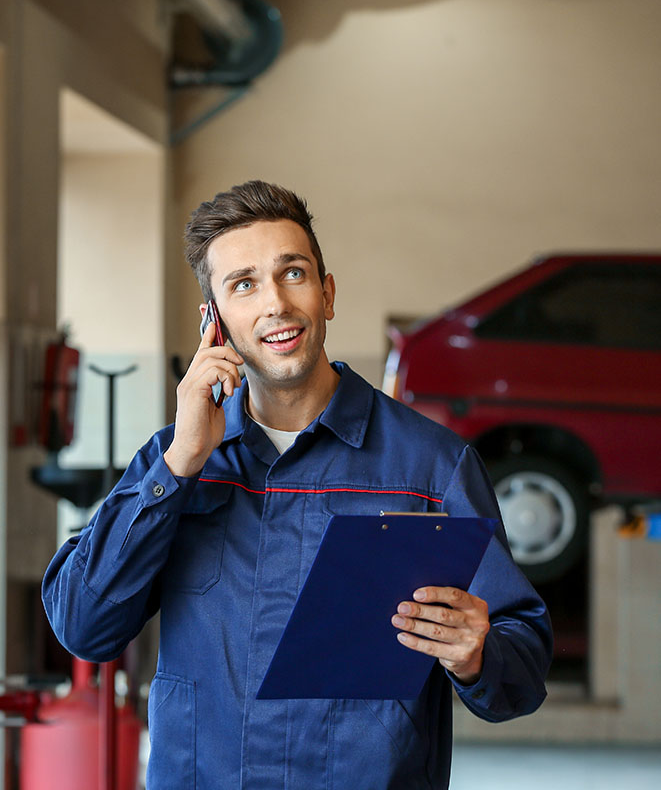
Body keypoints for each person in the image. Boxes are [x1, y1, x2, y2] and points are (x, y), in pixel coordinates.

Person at [43, 180, 552, 790]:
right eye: (243, 284)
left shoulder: (430, 468)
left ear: (327, 293)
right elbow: (83, 625)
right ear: (214, 322)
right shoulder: (176, 462)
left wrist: (478, 653)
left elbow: (520, 669)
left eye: (293, 274)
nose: (275, 305)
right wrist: (180, 464)